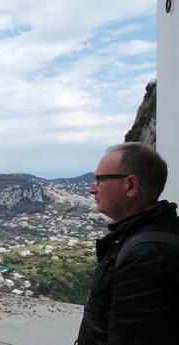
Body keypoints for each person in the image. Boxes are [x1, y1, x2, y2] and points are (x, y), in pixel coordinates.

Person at [76, 142, 179, 345]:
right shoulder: (160, 232)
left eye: (99, 180)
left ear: (130, 186)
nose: (92, 189)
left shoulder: (144, 257)